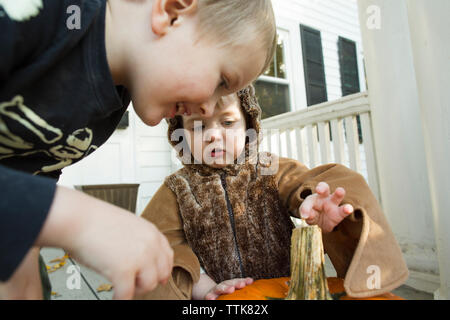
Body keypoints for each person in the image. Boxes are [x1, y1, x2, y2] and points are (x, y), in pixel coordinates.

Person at [0, 0, 277, 299]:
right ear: (172, 12)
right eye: (222, 81)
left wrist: (21, 251)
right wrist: (76, 218)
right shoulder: (40, 14)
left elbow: (30, 172)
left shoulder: (113, 101)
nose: (208, 106)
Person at [135, 85, 409, 300]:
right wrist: (203, 286)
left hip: (285, 290)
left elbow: (301, 182)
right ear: (180, 135)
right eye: (197, 126)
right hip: (221, 297)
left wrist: (313, 200)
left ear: (248, 127)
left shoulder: (269, 169)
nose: (213, 135)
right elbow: (158, 245)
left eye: (227, 123)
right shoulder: (177, 189)